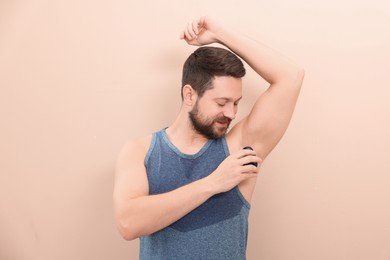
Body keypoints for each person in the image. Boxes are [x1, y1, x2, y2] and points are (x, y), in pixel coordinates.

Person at [113, 16, 304, 259]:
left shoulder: (238, 149)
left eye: (236, 103)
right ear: (189, 95)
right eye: (222, 103)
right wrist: (213, 183)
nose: (232, 113)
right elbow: (129, 223)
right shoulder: (140, 151)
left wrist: (219, 33)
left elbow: (292, 76)